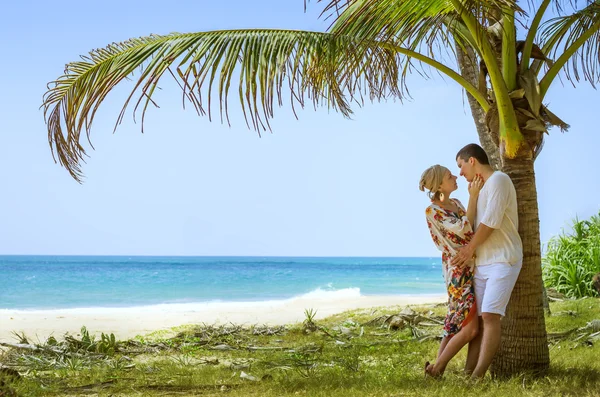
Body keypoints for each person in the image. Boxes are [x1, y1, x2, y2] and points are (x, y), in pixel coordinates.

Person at [451, 143, 523, 379]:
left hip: (504, 259)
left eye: (461, 166)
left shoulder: (499, 180)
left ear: (472, 161)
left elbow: (490, 223)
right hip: (482, 264)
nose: (460, 173)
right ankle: (468, 373)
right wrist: (472, 197)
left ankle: (477, 377)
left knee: (490, 316)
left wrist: (469, 249)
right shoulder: (478, 190)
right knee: (479, 323)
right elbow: (470, 226)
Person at [419, 164, 484, 377]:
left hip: (469, 266)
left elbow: (472, 226)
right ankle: (437, 369)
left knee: (454, 321)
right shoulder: (433, 211)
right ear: (439, 185)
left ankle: (437, 369)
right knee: (471, 329)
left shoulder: (455, 203)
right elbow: (465, 229)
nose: (455, 176)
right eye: (449, 176)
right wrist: (473, 196)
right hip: (457, 272)